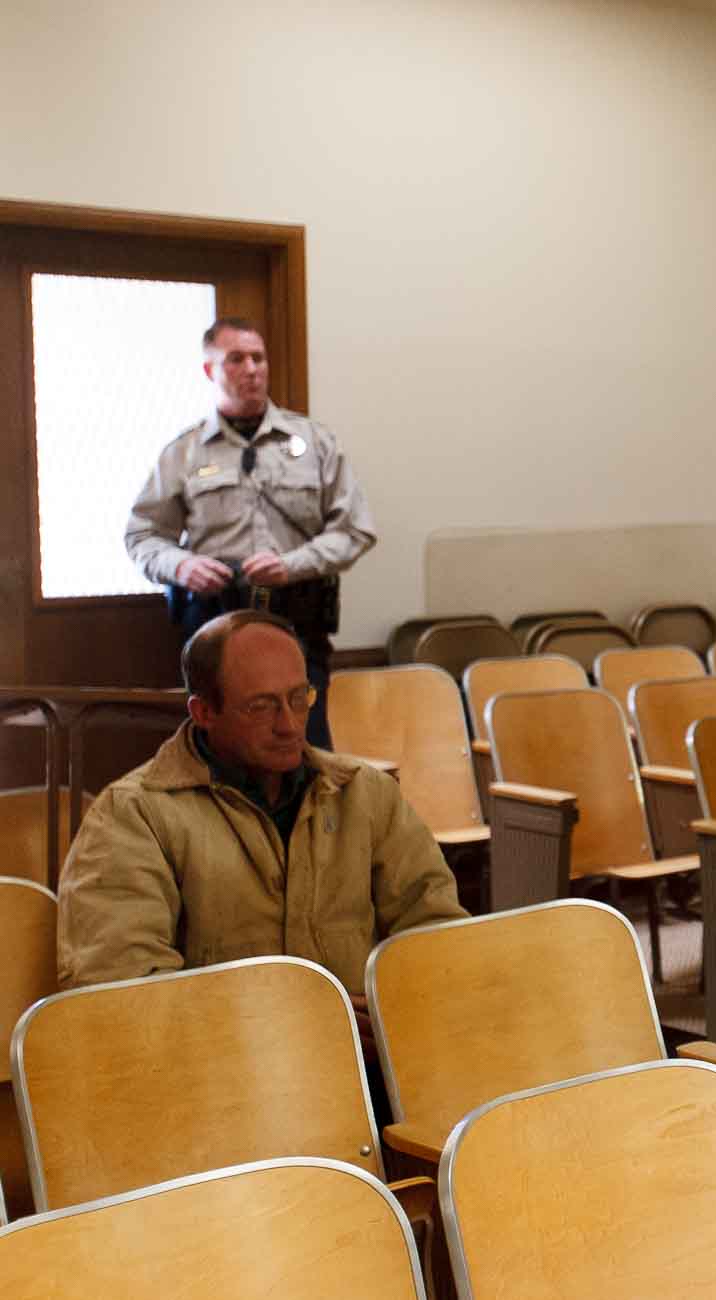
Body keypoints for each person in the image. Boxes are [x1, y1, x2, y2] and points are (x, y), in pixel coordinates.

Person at [56, 610, 466, 999]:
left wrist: (388, 1009)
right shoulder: (133, 816)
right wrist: (303, 1020)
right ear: (203, 712)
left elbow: (437, 933)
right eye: (261, 706)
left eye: (298, 698)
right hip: (220, 1069)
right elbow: (121, 989)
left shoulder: (366, 794)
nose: (289, 725)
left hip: (368, 1061)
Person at [125, 317, 376, 747]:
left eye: (258, 358)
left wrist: (291, 565)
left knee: (303, 754)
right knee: (220, 760)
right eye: (236, 359)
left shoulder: (314, 443)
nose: (252, 369)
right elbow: (141, 537)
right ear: (210, 371)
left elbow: (355, 529)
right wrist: (182, 566)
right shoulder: (183, 452)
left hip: (296, 628)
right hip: (214, 635)